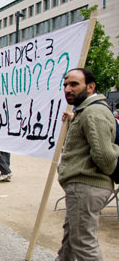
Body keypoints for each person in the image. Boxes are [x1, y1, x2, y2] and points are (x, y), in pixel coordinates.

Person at [56, 68, 118, 260]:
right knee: (71, 242)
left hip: (86, 187)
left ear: (90, 87)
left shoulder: (94, 112)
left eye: (74, 84)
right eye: (65, 84)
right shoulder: (87, 112)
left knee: (83, 245)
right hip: (82, 187)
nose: (68, 89)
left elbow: (105, 157)